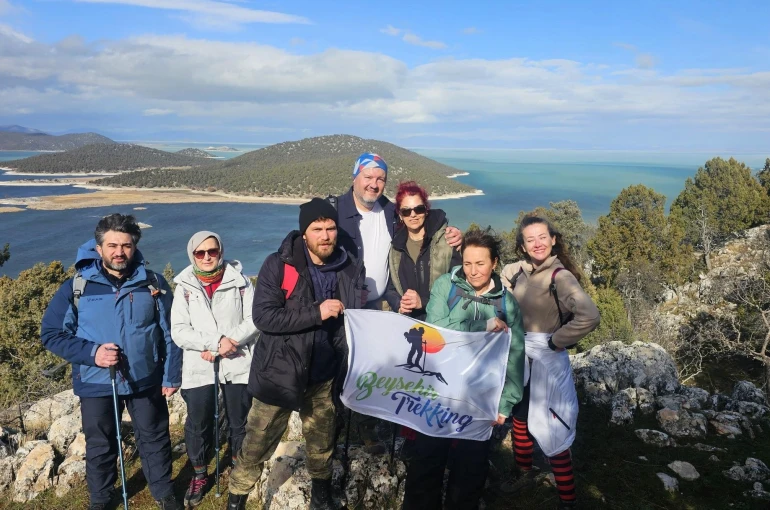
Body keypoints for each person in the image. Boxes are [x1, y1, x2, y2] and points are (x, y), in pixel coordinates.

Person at [227, 198, 366, 510]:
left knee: (322, 443)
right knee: (256, 444)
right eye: (317, 229)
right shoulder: (278, 265)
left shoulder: (349, 267)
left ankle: (321, 497)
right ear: (305, 233)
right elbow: (264, 317)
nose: (326, 235)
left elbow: (354, 318)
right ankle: (236, 500)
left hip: (324, 376)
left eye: (330, 228)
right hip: (279, 375)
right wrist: (317, 312)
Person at [40, 213, 183, 510]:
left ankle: (163, 491)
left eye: (127, 245)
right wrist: (93, 353)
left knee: (155, 437)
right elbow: (51, 334)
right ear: (99, 248)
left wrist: (171, 375)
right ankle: (102, 499)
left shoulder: (152, 283)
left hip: (146, 378)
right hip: (96, 381)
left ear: (135, 246)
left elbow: (171, 332)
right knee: (101, 444)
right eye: (113, 245)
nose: (120, 252)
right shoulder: (77, 287)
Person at [334, 155, 463, 452]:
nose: (374, 183)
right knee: (343, 366)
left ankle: (370, 428)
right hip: (345, 308)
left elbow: (428, 218)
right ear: (355, 177)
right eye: (368, 176)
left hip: (382, 308)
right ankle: (337, 426)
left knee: (379, 369)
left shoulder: (392, 212)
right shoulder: (337, 212)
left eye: (380, 178)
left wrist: (453, 232)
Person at [402, 228, 526, 510]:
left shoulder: (507, 303)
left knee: (469, 475)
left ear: (494, 263)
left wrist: (506, 403)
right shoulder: (446, 285)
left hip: (479, 398)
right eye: (467, 263)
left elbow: (516, 356)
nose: (472, 271)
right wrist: (480, 326)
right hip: (439, 392)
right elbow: (434, 332)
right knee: (425, 467)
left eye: (480, 263)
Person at [499, 216, 600, 509]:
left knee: (551, 426)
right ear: (522, 246)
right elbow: (504, 275)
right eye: (530, 240)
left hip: (545, 360)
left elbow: (590, 316)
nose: (537, 244)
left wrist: (557, 341)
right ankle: (524, 471)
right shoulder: (523, 270)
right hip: (521, 358)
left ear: (553, 239)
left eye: (542, 237)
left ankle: (568, 500)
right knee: (520, 418)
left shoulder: (560, 276)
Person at [170, 231, 258, 507]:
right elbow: (179, 331)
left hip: (237, 359)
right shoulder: (183, 286)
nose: (207, 257)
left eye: (212, 251)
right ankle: (199, 474)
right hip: (200, 363)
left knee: (239, 419)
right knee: (198, 421)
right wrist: (216, 343)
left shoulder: (240, 282)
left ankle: (238, 469)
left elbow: (255, 318)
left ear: (220, 251)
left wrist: (226, 344)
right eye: (200, 252)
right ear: (192, 255)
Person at [384, 180, 463, 320]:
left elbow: (460, 286)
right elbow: (391, 287)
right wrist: (399, 304)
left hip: (442, 323)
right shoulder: (396, 247)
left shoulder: (447, 241)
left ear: (426, 210)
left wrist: (424, 302)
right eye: (406, 211)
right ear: (400, 215)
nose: (413, 215)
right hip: (409, 324)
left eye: (418, 209)